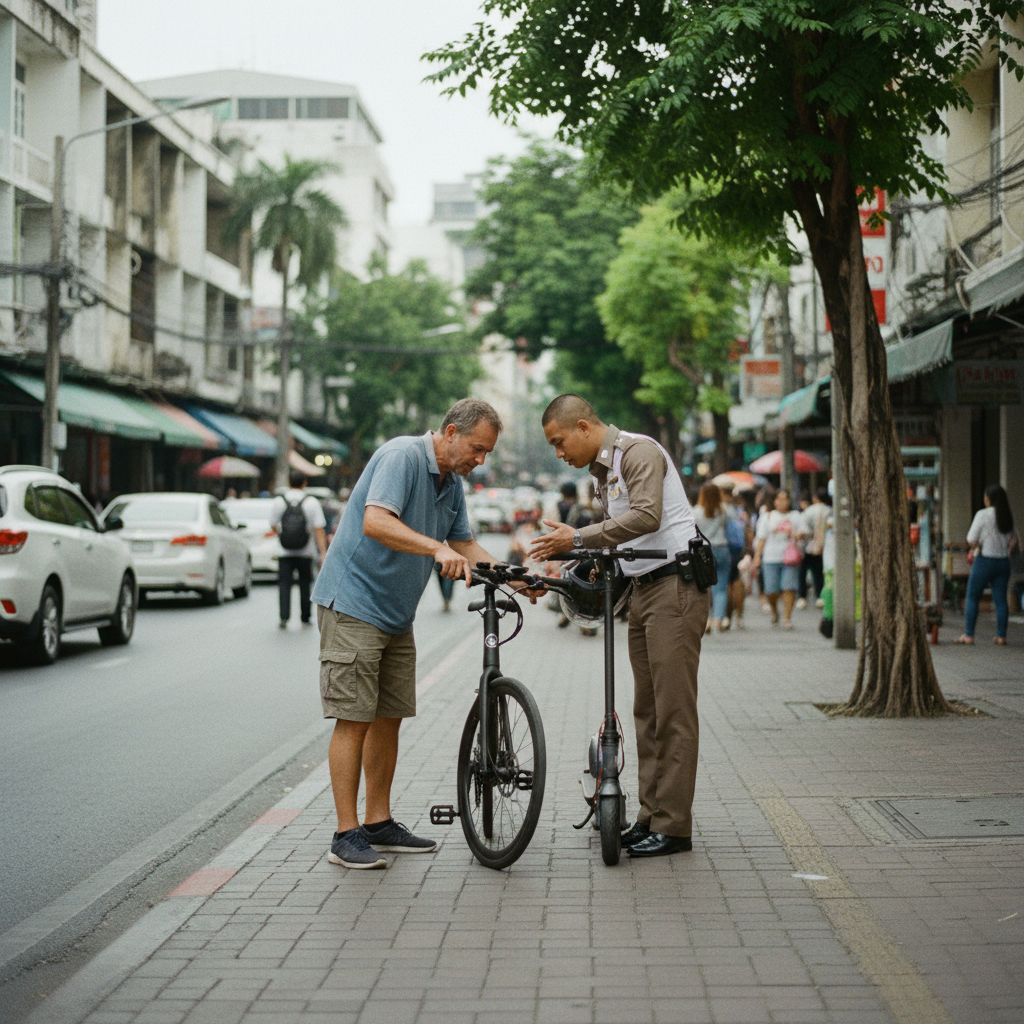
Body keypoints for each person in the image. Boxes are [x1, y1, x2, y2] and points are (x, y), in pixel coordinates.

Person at [311, 398, 519, 870]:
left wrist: (512, 576)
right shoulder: (401, 456)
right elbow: (375, 520)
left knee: (389, 716)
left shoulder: (453, 485)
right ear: (450, 432)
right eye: (477, 448)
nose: (480, 460)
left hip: (394, 615)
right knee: (354, 718)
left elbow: (464, 542)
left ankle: (378, 823)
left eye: (487, 452)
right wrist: (434, 547)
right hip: (353, 604)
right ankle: (345, 835)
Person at [530, 394, 706, 859]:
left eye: (559, 441)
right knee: (646, 712)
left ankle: (674, 826)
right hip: (645, 589)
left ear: (585, 427)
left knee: (673, 712)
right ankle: (651, 815)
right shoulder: (602, 474)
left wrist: (580, 537)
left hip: (676, 588)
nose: (558, 453)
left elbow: (646, 515)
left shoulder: (638, 452)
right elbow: (627, 532)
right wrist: (589, 559)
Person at [956, 484, 1018, 646]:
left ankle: (969, 635)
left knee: (972, 596)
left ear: (990, 499)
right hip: (1003, 563)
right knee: (1000, 600)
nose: (984, 499)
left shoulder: (982, 515)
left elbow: (970, 538)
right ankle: (1001, 636)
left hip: (984, 561)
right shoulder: (1007, 516)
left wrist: (977, 544)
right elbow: (1014, 541)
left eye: (985, 496)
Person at [270, 470, 327, 629]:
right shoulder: (311, 502)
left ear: (289, 482)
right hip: (306, 552)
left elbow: (273, 524)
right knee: (305, 584)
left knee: (284, 584)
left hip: (284, 551)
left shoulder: (279, 501)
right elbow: (319, 529)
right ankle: (305, 616)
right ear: (305, 483)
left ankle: (284, 617)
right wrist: (322, 552)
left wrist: (283, 534)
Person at [752, 488, 807, 629]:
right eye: (779, 499)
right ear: (774, 501)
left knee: (789, 587)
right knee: (771, 590)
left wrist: (796, 534)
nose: (782, 502)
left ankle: (787, 618)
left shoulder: (796, 516)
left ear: (789, 500)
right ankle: (775, 613)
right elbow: (761, 538)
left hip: (791, 558)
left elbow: (804, 532)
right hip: (770, 557)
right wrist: (757, 556)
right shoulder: (768, 516)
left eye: (785, 498)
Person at [692, 483, 731, 633]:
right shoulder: (724, 511)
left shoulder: (696, 512)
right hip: (722, 548)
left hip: (703, 550)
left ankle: (706, 620)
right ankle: (718, 620)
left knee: (703, 586)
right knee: (721, 588)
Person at [799, 488, 831, 609]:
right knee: (819, 573)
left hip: (808, 547)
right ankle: (820, 596)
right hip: (825, 547)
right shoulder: (830, 511)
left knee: (803, 572)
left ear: (815, 498)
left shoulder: (809, 511)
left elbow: (804, 529)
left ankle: (802, 597)